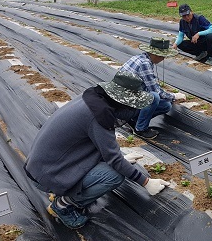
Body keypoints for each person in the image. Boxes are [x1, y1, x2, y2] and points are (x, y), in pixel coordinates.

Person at [24, 70, 170, 229]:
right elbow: (114, 160)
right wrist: (146, 182)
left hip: (45, 165)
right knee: (114, 175)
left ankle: (63, 190)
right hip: (50, 173)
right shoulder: (98, 116)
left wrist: (120, 157)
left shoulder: (94, 99)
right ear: (122, 102)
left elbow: (100, 147)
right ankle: (63, 205)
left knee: (114, 165)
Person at [120, 37, 186, 139]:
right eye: (162, 56)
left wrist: (168, 98)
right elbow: (155, 91)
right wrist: (174, 96)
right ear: (155, 54)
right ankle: (140, 129)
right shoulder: (145, 64)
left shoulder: (139, 58)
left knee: (166, 106)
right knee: (154, 97)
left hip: (127, 97)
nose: (163, 59)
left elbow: (149, 84)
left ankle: (134, 120)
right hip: (124, 102)